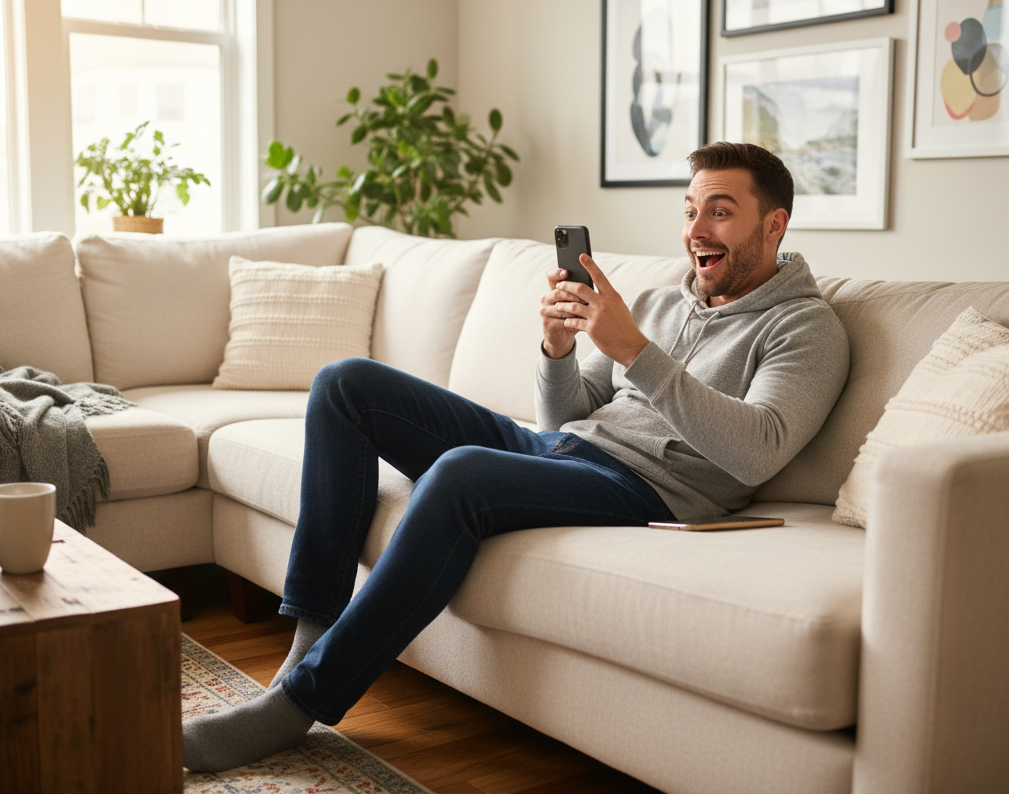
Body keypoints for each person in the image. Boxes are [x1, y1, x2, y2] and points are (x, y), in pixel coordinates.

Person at [181, 142, 850, 772]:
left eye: (721, 211)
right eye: (690, 209)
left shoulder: (805, 326)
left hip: (647, 489)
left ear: (774, 224)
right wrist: (557, 347)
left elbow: (756, 451)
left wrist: (634, 352)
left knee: (460, 473)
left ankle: (302, 703)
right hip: (564, 447)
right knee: (345, 383)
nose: (697, 228)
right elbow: (568, 415)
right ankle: (311, 635)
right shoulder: (663, 300)